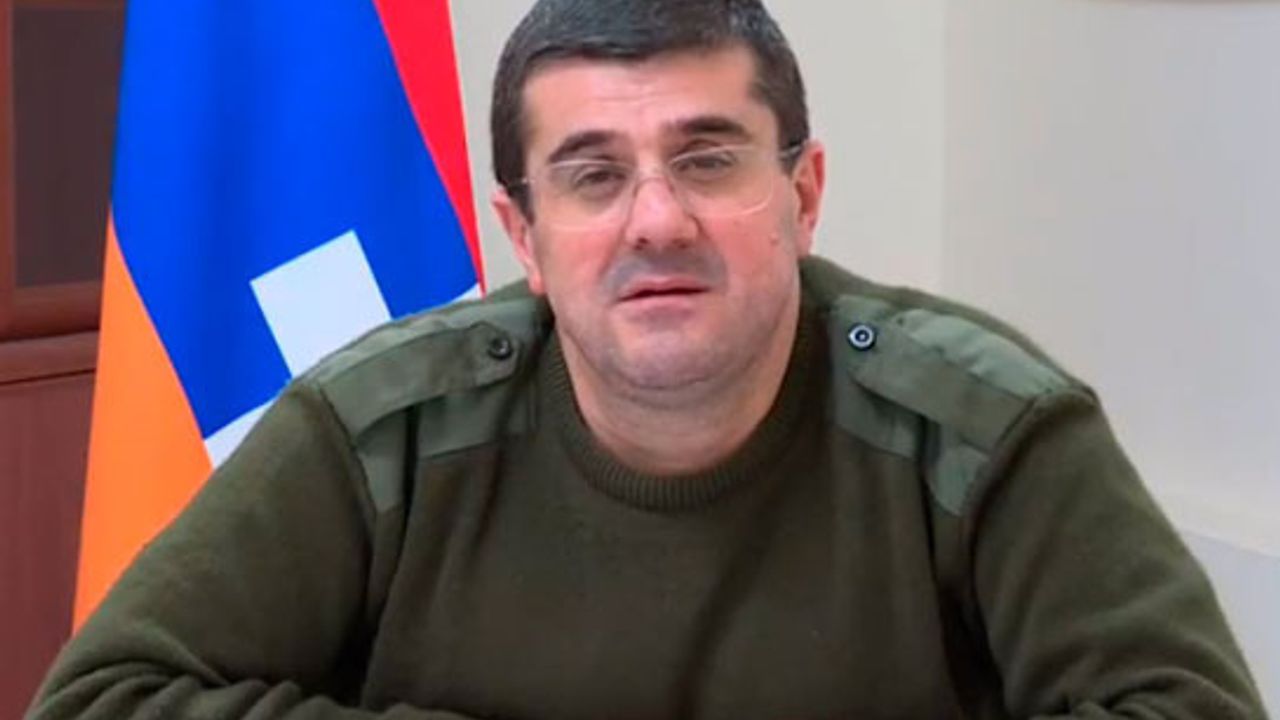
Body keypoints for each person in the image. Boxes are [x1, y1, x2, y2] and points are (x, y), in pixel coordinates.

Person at [29, 0, 1266, 718]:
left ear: (803, 194)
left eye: (708, 159)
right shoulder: (382, 430)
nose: (656, 220)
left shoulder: (978, 427)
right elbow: (101, 698)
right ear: (523, 235)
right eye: (591, 175)